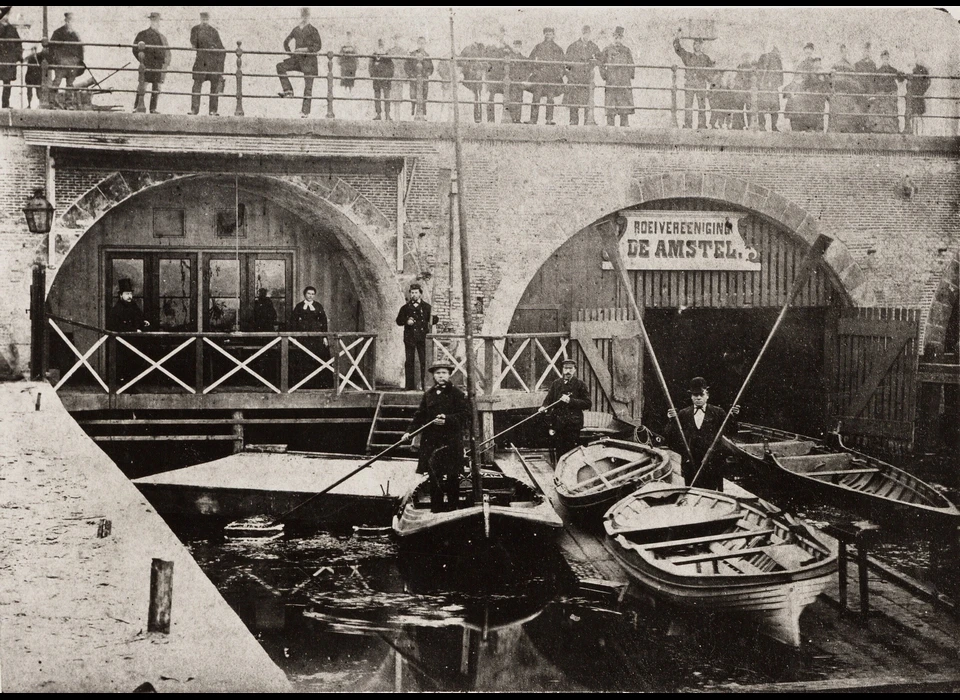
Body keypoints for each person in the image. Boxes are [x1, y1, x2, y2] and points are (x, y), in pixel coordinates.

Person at [402, 362, 470, 513]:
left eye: (444, 373)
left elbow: (465, 415)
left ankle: (453, 509)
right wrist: (409, 432)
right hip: (432, 442)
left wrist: (447, 419)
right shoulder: (429, 394)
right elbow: (419, 416)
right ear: (433, 375)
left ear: (449, 375)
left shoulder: (457, 394)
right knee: (435, 476)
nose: (441, 376)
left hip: (451, 441)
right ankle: (436, 510)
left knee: (453, 476)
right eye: (438, 373)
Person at [664, 377, 740, 491]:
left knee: (713, 493)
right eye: (695, 395)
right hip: (691, 461)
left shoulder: (718, 412)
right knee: (691, 492)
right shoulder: (683, 413)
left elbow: (731, 431)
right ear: (691, 396)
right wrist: (671, 420)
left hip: (712, 461)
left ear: (707, 395)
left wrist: (733, 417)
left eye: (701, 394)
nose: (698, 397)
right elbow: (671, 437)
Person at [538, 358, 592, 463]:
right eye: (566, 368)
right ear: (562, 369)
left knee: (571, 452)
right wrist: (544, 406)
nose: (568, 371)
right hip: (558, 424)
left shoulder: (580, 385)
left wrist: (570, 400)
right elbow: (548, 399)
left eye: (570, 369)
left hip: (573, 424)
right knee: (559, 451)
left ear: (575, 370)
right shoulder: (556, 384)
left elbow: (588, 403)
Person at [277, 7, 322, 118]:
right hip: (298, 60)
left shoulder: (313, 30)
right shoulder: (296, 29)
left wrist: (303, 50)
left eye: (305, 15)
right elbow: (286, 42)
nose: (304, 17)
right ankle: (288, 90)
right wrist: (291, 54)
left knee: (308, 87)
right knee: (280, 66)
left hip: (309, 61)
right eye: (303, 14)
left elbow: (318, 46)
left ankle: (305, 112)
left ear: (308, 16)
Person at [108, 278, 150, 387]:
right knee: (124, 366)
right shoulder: (116, 309)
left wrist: (143, 322)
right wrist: (134, 330)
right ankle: (124, 386)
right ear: (121, 295)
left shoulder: (133, 306)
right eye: (127, 294)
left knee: (135, 364)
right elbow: (116, 326)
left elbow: (139, 317)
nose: (129, 296)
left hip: (134, 342)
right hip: (122, 344)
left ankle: (132, 385)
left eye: (130, 294)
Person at [396, 283, 437, 391]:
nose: (414, 295)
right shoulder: (405, 308)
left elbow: (433, 321)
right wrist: (406, 321)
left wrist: (434, 316)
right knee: (409, 361)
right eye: (412, 293)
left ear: (420, 294)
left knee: (424, 361)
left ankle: (425, 385)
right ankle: (409, 386)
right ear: (410, 294)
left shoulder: (427, 307)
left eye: (416, 293)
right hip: (409, 338)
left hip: (423, 338)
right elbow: (398, 321)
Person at [290, 286, 332, 388]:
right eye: (309, 294)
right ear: (305, 294)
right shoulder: (299, 306)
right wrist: (295, 336)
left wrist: (324, 336)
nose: (310, 296)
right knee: (303, 358)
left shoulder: (318, 306)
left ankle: (318, 383)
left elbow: (323, 322)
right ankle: (303, 384)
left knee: (318, 358)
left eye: (313, 294)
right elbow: (293, 321)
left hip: (316, 338)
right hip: (303, 338)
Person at [673, 28, 715, 129]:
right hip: (690, 83)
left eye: (699, 44)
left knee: (702, 105)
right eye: (695, 44)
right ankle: (688, 125)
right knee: (688, 105)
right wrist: (677, 38)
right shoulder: (688, 56)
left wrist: (709, 78)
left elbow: (711, 72)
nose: (697, 46)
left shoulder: (706, 58)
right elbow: (678, 49)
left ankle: (701, 125)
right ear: (693, 45)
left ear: (702, 46)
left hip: (701, 84)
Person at [132, 12, 170, 114]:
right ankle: (136, 107)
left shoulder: (162, 37)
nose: (155, 23)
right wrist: (141, 60)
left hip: (158, 66)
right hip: (146, 65)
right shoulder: (142, 34)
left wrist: (164, 66)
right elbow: (135, 49)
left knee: (156, 88)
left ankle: (153, 109)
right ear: (150, 21)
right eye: (153, 20)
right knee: (142, 85)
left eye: (157, 21)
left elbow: (167, 53)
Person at [189, 10, 225, 116]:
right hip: (200, 62)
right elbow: (194, 43)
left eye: (206, 19)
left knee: (214, 86)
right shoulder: (195, 29)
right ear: (200, 19)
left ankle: (213, 110)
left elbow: (221, 48)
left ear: (208, 20)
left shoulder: (213, 31)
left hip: (212, 63)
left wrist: (220, 69)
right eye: (203, 19)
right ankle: (194, 110)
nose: (204, 21)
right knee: (196, 85)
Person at [563, 25, 600, 126]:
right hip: (575, 78)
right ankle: (573, 121)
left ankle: (587, 121)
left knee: (587, 101)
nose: (586, 35)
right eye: (584, 33)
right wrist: (571, 75)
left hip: (586, 78)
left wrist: (594, 62)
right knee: (574, 101)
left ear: (590, 34)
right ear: (581, 33)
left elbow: (600, 59)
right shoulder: (573, 46)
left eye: (588, 33)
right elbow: (567, 63)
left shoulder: (593, 46)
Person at [527, 27, 564, 125]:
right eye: (546, 34)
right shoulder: (538, 47)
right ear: (544, 35)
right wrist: (535, 71)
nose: (548, 36)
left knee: (550, 98)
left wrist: (558, 75)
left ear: (553, 35)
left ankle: (549, 119)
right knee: (536, 97)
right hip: (540, 76)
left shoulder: (557, 48)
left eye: (550, 34)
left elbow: (562, 64)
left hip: (552, 77)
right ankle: (533, 119)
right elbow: (530, 61)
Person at [599, 26, 635, 127]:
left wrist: (630, 75)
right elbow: (601, 64)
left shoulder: (626, 50)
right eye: (615, 37)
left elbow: (631, 64)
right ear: (612, 37)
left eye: (619, 38)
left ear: (622, 38)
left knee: (624, 105)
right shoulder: (607, 50)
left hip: (623, 81)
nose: (617, 40)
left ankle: (624, 125)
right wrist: (604, 75)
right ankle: (610, 125)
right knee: (611, 104)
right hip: (612, 81)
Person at [50, 12, 84, 110]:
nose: (70, 23)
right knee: (57, 81)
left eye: (72, 21)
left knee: (70, 83)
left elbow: (80, 48)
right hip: (61, 62)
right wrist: (55, 60)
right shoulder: (58, 32)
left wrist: (79, 61)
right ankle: (53, 102)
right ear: (66, 21)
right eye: (69, 21)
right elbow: (52, 47)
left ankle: (69, 104)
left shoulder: (75, 35)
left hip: (72, 63)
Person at [868, 50, 905, 134]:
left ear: (888, 59)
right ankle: (880, 130)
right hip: (881, 95)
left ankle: (891, 130)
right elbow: (874, 84)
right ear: (881, 59)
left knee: (891, 113)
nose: (885, 60)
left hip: (890, 95)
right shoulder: (878, 71)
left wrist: (901, 73)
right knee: (880, 112)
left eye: (887, 59)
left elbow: (900, 79)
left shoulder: (893, 70)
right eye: (884, 59)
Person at [829, 44, 859, 133]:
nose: (844, 54)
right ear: (840, 53)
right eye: (842, 52)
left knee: (849, 117)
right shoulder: (835, 65)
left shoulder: (851, 66)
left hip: (848, 95)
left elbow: (854, 80)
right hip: (838, 95)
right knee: (837, 116)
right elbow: (831, 81)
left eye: (845, 52)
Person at [459, 39, 489, 123]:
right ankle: (469, 119)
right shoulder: (467, 49)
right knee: (471, 96)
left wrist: (481, 67)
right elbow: (460, 62)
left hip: (479, 78)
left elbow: (488, 63)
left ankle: (478, 117)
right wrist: (468, 67)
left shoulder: (483, 49)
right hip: (468, 77)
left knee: (478, 96)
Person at [755, 42, 783, 131]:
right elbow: (759, 71)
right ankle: (762, 125)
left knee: (774, 107)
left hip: (772, 86)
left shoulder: (777, 59)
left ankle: (773, 126)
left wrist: (777, 83)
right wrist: (760, 83)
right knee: (762, 106)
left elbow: (780, 73)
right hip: (764, 85)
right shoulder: (763, 57)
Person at [406, 36, 434, 119]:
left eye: (423, 43)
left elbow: (431, 68)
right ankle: (413, 113)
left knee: (424, 96)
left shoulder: (427, 55)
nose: (421, 45)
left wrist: (427, 73)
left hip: (424, 80)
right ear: (417, 44)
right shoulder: (412, 54)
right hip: (414, 79)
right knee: (413, 96)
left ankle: (423, 115)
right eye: (419, 43)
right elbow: (407, 66)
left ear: (425, 44)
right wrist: (411, 74)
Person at [853, 43, 878, 133]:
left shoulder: (873, 64)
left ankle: (868, 128)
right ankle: (860, 128)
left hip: (870, 91)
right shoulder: (857, 64)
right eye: (865, 51)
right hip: (861, 90)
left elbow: (874, 79)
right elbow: (855, 79)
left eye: (868, 51)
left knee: (869, 109)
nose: (867, 53)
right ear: (862, 52)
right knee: (860, 109)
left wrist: (873, 92)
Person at [0, 11, 21, 109]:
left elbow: (18, 44)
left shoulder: (12, 29)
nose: (6, 17)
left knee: (7, 83)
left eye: (7, 15)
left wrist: (17, 57)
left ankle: (5, 104)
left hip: (8, 60)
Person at [906, 54, 931, 136]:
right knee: (913, 114)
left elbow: (928, 81)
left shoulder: (923, 70)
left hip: (919, 95)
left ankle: (920, 134)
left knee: (919, 115)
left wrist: (922, 90)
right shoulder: (911, 69)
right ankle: (914, 132)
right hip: (912, 95)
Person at [370, 38, 394, 121]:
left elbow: (391, 68)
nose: (380, 47)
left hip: (386, 79)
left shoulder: (387, 56)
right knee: (377, 96)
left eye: (382, 45)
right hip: (377, 79)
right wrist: (373, 76)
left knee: (387, 97)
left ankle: (387, 114)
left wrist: (389, 77)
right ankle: (378, 114)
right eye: (379, 45)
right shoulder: (374, 56)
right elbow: (370, 67)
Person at [387, 34, 408, 120]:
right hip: (392, 76)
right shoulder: (390, 52)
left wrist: (405, 76)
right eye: (395, 40)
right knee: (392, 96)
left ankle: (397, 117)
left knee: (398, 97)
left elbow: (404, 65)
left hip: (399, 76)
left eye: (398, 40)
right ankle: (390, 116)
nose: (397, 42)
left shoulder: (402, 52)